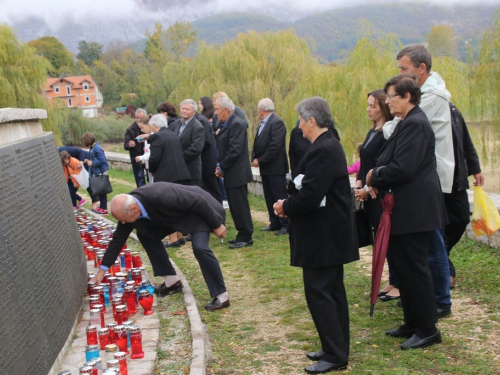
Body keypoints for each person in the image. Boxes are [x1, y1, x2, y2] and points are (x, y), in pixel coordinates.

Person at [274, 97, 358, 374]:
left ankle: (335, 354)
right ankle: (333, 345)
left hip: (324, 235)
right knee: (330, 291)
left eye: (300, 121)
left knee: (321, 292)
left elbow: (311, 194)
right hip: (326, 233)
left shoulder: (325, 148)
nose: (298, 127)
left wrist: (285, 206)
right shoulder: (325, 145)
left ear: (312, 121)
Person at [367, 74, 445, 350]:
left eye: (391, 96)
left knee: (415, 269)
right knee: (403, 268)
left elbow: (403, 168)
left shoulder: (416, 124)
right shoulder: (406, 122)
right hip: (402, 210)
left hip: (415, 211)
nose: (387, 101)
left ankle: (427, 329)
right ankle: (412, 321)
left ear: (407, 97)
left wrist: (374, 175)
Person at [385, 44, 454, 318]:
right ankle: (420, 306)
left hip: (425, 183)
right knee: (421, 250)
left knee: (431, 247)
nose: (400, 72)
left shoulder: (430, 99)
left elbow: (393, 129)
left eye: (404, 69)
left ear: (421, 69)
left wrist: (375, 174)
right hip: (420, 181)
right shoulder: (417, 106)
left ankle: (439, 301)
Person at [91, 182, 230, 311]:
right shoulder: (128, 211)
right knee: (145, 235)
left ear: (133, 209)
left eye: (123, 219)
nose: (122, 222)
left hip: (200, 212)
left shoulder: (159, 194)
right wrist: (101, 272)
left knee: (200, 247)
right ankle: (172, 281)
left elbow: (199, 201)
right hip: (172, 218)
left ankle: (222, 296)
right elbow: (117, 241)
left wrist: (216, 225)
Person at [354, 89, 399, 302]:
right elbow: (365, 161)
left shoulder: (386, 134)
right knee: (380, 237)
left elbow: (384, 164)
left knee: (389, 238)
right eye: (368, 105)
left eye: (373, 105)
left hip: (380, 194)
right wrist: (360, 183)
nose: (368, 109)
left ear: (383, 106)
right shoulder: (372, 131)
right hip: (369, 194)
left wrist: (370, 185)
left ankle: (398, 282)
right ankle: (392, 280)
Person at [446, 103, 484, 288]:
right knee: (437, 225)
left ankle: (442, 255)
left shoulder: (453, 111)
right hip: (434, 181)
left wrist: (475, 169)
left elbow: (466, 142)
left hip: (456, 179)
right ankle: (445, 269)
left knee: (461, 218)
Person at [214, 96, 254, 249]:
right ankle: (241, 234)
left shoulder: (236, 123)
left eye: (217, 109)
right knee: (235, 206)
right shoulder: (226, 123)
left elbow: (234, 150)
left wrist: (222, 168)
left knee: (240, 206)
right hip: (231, 172)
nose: (215, 112)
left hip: (237, 172)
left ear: (225, 109)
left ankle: (245, 235)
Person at [252, 98, 289, 235]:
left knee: (279, 195)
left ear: (262, 110)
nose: (257, 112)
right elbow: (257, 142)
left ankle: (285, 225)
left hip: (276, 167)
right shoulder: (263, 123)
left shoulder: (276, 122)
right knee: (268, 196)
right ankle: (274, 222)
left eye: (257, 109)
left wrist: (260, 160)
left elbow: (275, 146)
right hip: (266, 168)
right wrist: (254, 157)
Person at [169, 99, 205, 187]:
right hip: (176, 170)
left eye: (187, 109)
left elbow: (195, 149)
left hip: (190, 170)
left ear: (194, 112)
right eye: (183, 108)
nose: (184, 111)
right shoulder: (176, 123)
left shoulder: (197, 127)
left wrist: (179, 159)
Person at [195, 103, 222, 203]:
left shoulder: (200, 120)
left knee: (212, 187)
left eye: (186, 109)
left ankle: (218, 210)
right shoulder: (198, 119)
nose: (183, 111)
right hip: (203, 160)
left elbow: (207, 140)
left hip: (207, 160)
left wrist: (195, 149)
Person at [82, 132, 109, 215]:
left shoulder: (97, 148)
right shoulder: (92, 148)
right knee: (99, 190)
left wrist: (92, 163)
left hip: (100, 171)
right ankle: (102, 207)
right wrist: (88, 161)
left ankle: (104, 209)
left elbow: (102, 160)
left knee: (102, 191)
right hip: (97, 171)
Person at [124, 108, 147, 187]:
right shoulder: (130, 129)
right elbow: (125, 145)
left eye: (140, 117)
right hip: (136, 160)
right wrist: (129, 144)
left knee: (152, 181)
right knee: (140, 183)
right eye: (136, 117)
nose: (138, 119)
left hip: (149, 158)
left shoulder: (150, 127)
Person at [135, 114, 152, 182]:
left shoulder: (155, 137)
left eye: (142, 127)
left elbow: (153, 153)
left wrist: (141, 158)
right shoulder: (147, 138)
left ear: (148, 124)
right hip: (148, 166)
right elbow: (147, 152)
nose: (141, 130)